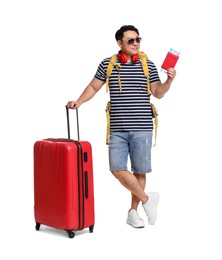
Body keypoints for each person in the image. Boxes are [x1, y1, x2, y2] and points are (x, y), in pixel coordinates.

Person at [66, 25, 176, 228]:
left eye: (138, 39)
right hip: (117, 128)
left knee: (139, 171)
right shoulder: (108, 64)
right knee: (117, 169)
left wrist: (169, 80)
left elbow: (158, 92)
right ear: (119, 43)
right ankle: (147, 199)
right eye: (130, 40)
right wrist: (79, 101)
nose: (136, 44)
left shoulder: (148, 65)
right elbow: (93, 86)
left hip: (142, 126)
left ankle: (133, 213)